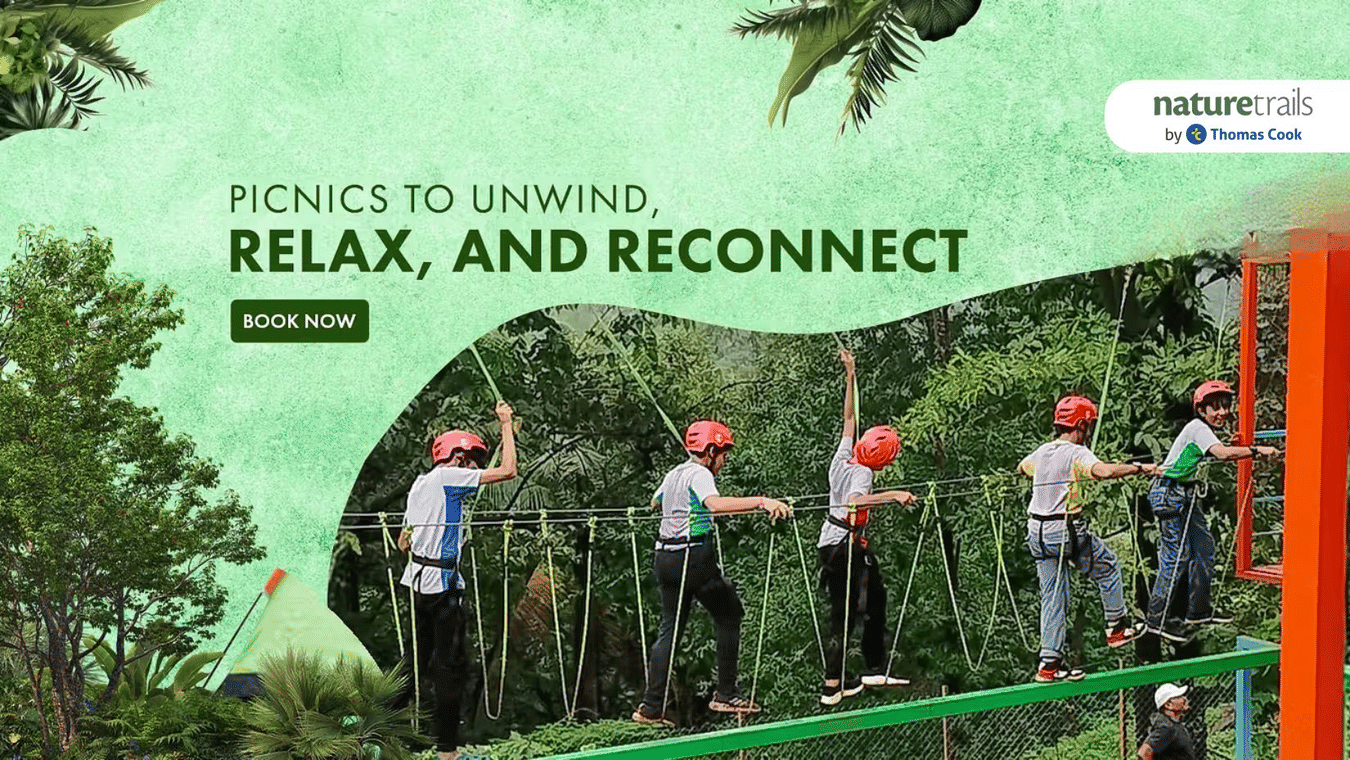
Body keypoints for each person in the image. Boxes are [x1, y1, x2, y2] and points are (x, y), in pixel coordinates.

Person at [631, 419, 792, 726]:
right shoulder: (700, 474)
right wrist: (762, 502)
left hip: (664, 557)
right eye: (723, 453)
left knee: (669, 630)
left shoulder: (674, 473)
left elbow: (655, 503)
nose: (724, 460)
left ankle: (650, 707)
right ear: (709, 452)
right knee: (729, 614)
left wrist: (680, 507)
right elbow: (715, 505)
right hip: (693, 557)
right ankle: (726, 693)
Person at [398, 401, 518, 760]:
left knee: (413, 663)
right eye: (472, 461)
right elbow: (508, 471)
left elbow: (404, 541)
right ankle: (448, 753)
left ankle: (369, 733)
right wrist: (506, 423)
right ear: (457, 456)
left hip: (417, 582)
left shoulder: (420, 485)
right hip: (442, 586)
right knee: (451, 670)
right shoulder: (448, 477)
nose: (475, 469)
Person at [1020, 395, 1159, 683]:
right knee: (1107, 567)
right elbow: (1104, 471)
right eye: (1089, 425)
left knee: (1053, 597)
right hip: (1063, 529)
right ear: (1081, 425)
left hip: (1036, 532)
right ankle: (1116, 627)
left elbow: (1023, 466)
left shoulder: (1043, 451)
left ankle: (1049, 664)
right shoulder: (1077, 453)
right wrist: (1139, 468)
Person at [1145, 380, 1283, 642]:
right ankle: (1157, 619)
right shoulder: (1198, 428)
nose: (1223, 412)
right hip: (1170, 493)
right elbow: (1221, 454)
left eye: (1226, 406)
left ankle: (1198, 611)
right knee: (1176, 557)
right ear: (1201, 410)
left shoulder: (1202, 430)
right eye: (1215, 408)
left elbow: (1210, 452)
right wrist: (1257, 450)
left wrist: (1232, 446)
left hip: (1182, 494)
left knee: (1204, 548)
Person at [816, 349, 915, 706]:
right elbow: (856, 503)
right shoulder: (863, 472)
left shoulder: (843, 457)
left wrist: (851, 374)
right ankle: (847, 678)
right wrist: (894, 495)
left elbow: (848, 419)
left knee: (865, 602)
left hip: (832, 543)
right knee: (855, 610)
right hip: (844, 544)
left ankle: (850, 676)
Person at [1138, 683, 1197, 759]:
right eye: (1178, 697)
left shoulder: (1174, 725)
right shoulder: (1166, 728)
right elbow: (1144, 752)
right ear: (1168, 705)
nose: (1184, 699)